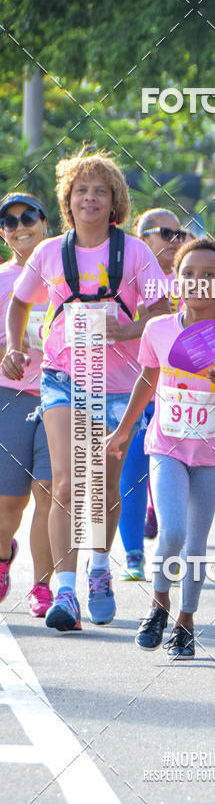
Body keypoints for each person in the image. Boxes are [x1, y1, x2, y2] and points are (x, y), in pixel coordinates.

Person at [2, 149, 170, 632]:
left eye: (100, 191)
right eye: (81, 191)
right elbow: (19, 303)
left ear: (114, 201)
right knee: (67, 481)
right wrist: (15, 347)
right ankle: (67, 590)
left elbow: (162, 312)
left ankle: (100, 569)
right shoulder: (50, 251)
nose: (90, 198)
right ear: (68, 200)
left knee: (104, 486)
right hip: (63, 376)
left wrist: (129, 329)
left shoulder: (134, 252)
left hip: (119, 383)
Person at [106, 238, 215, 657]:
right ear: (176, 281)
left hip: (209, 455)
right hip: (166, 446)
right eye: (188, 273)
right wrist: (123, 431)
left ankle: (186, 621)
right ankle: (159, 604)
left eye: (208, 275)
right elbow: (146, 379)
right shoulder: (158, 330)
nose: (196, 282)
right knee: (172, 532)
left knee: (196, 545)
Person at [117, 208, 187, 578]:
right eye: (166, 233)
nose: (175, 240)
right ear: (141, 238)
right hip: (134, 386)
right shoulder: (124, 277)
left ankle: (174, 550)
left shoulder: (190, 279)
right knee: (133, 472)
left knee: (177, 474)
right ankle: (132, 554)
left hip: (182, 397)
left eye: (180, 233)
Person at [0, 192, 53, 615]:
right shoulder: (2, 279)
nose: (20, 226)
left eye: (28, 217)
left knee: (50, 494)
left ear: (45, 223)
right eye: (10, 222)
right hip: (9, 395)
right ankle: (3, 559)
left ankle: (42, 587)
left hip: (60, 394)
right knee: (9, 504)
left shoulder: (67, 274)